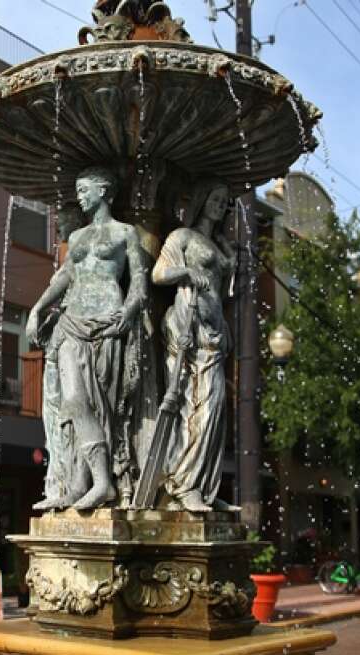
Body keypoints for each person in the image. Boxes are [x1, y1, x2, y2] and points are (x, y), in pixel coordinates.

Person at [26, 166, 153, 510]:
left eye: (85, 189)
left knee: (102, 405)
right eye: (78, 189)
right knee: (73, 400)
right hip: (72, 321)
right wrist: (38, 308)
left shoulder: (126, 233)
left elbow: (140, 282)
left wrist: (128, 313)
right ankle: (90, 481)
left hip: (107, 321)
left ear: (105, 191)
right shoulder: (78, 238)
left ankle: (93, 482)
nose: (80, 195)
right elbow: (65, 276)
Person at [151, 181, 238, 512]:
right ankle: (184, 486)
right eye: (215, 198)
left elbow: (223, 288)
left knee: (213, 409)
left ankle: (204, 486)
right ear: (201, 200)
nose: (219, 205)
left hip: (214, 333)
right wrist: (187, 271)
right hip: (187, 330)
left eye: (224, 201)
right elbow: (159, 274)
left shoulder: (217, 245)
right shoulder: (182, 237)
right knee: (192, 407)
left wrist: (228, 260)